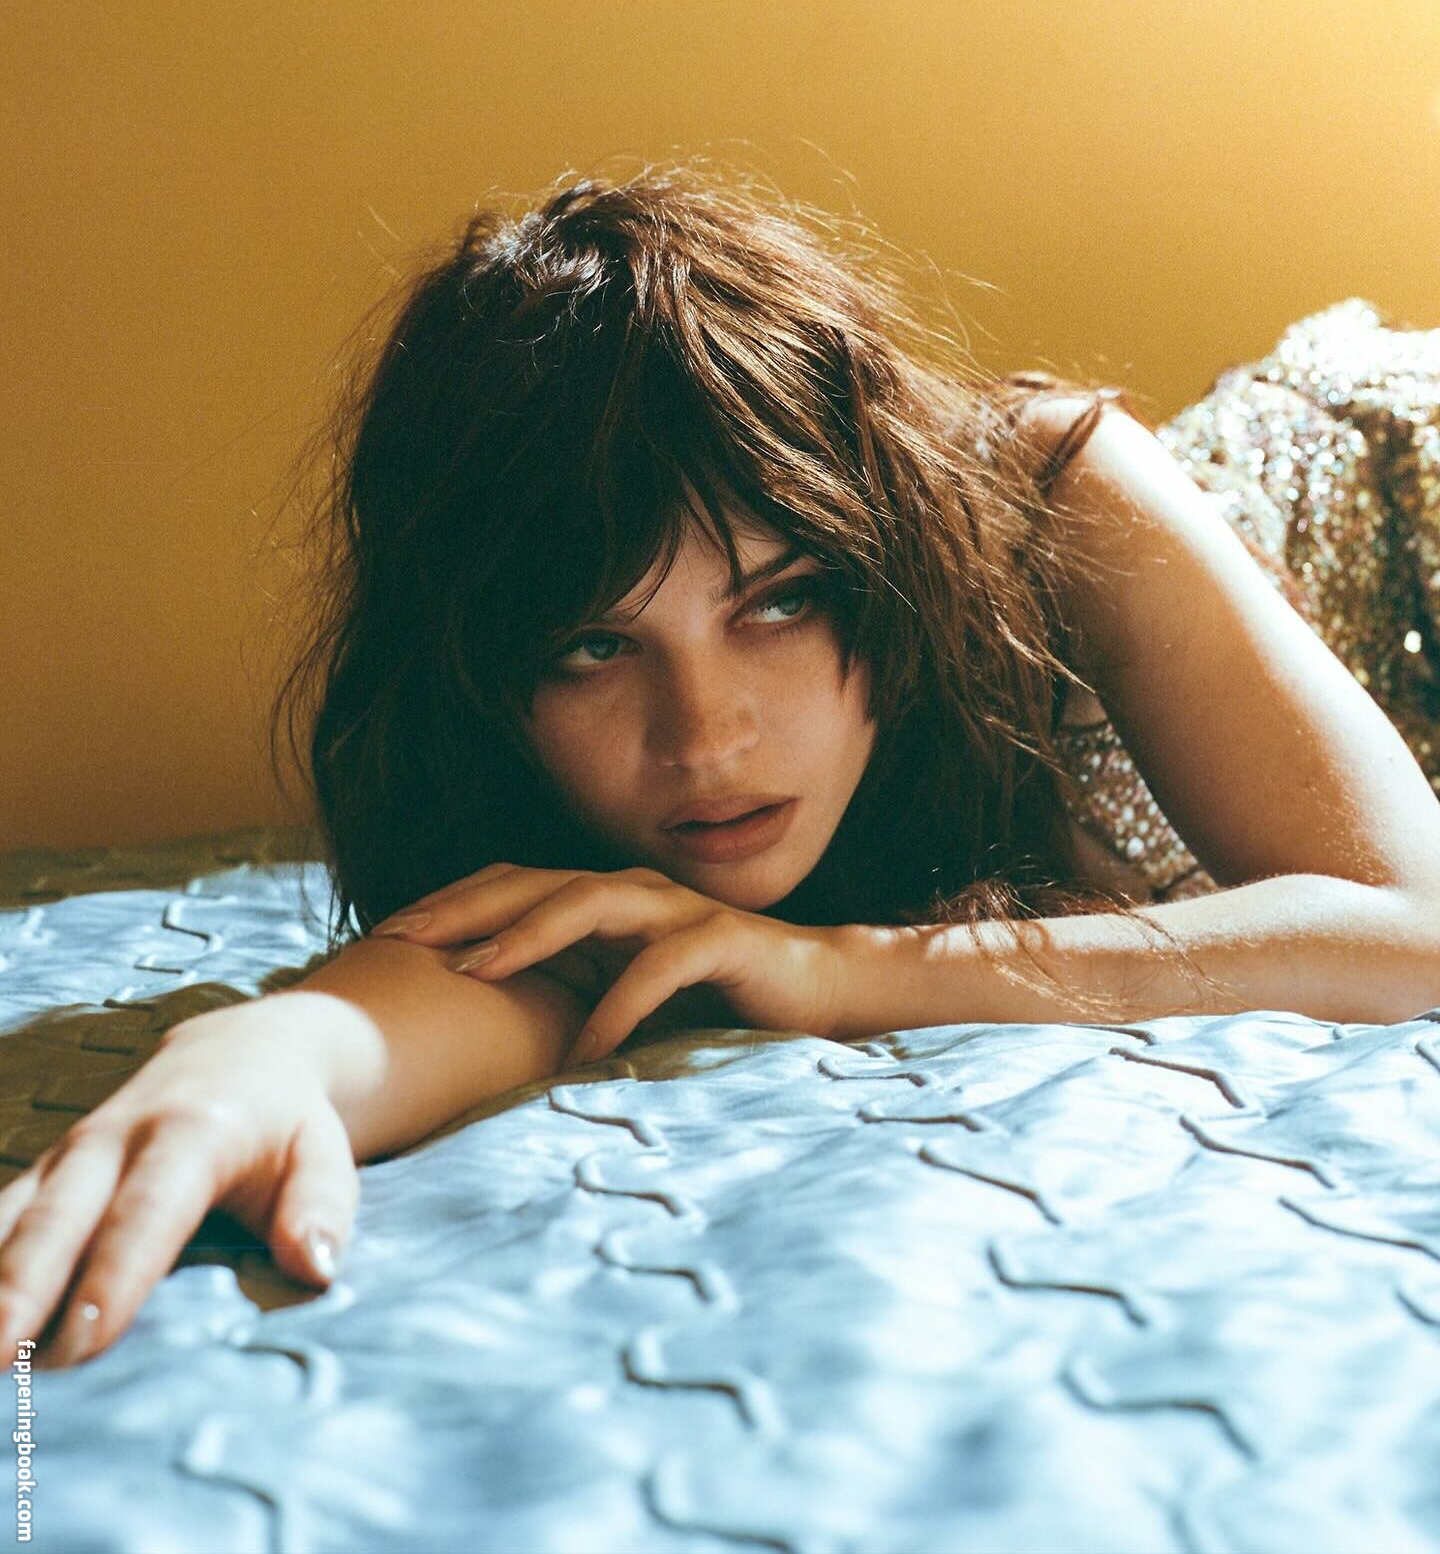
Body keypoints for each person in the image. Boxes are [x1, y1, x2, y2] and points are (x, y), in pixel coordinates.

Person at [5, 162, 1440, 1372]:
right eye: (591, 647)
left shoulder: (1059, 494)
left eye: (782, 601)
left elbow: (1414, 923)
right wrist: (266, 1056)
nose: (703, 738)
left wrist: (841, 970)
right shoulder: (535, 759)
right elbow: (520, 961)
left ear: (880, 552)